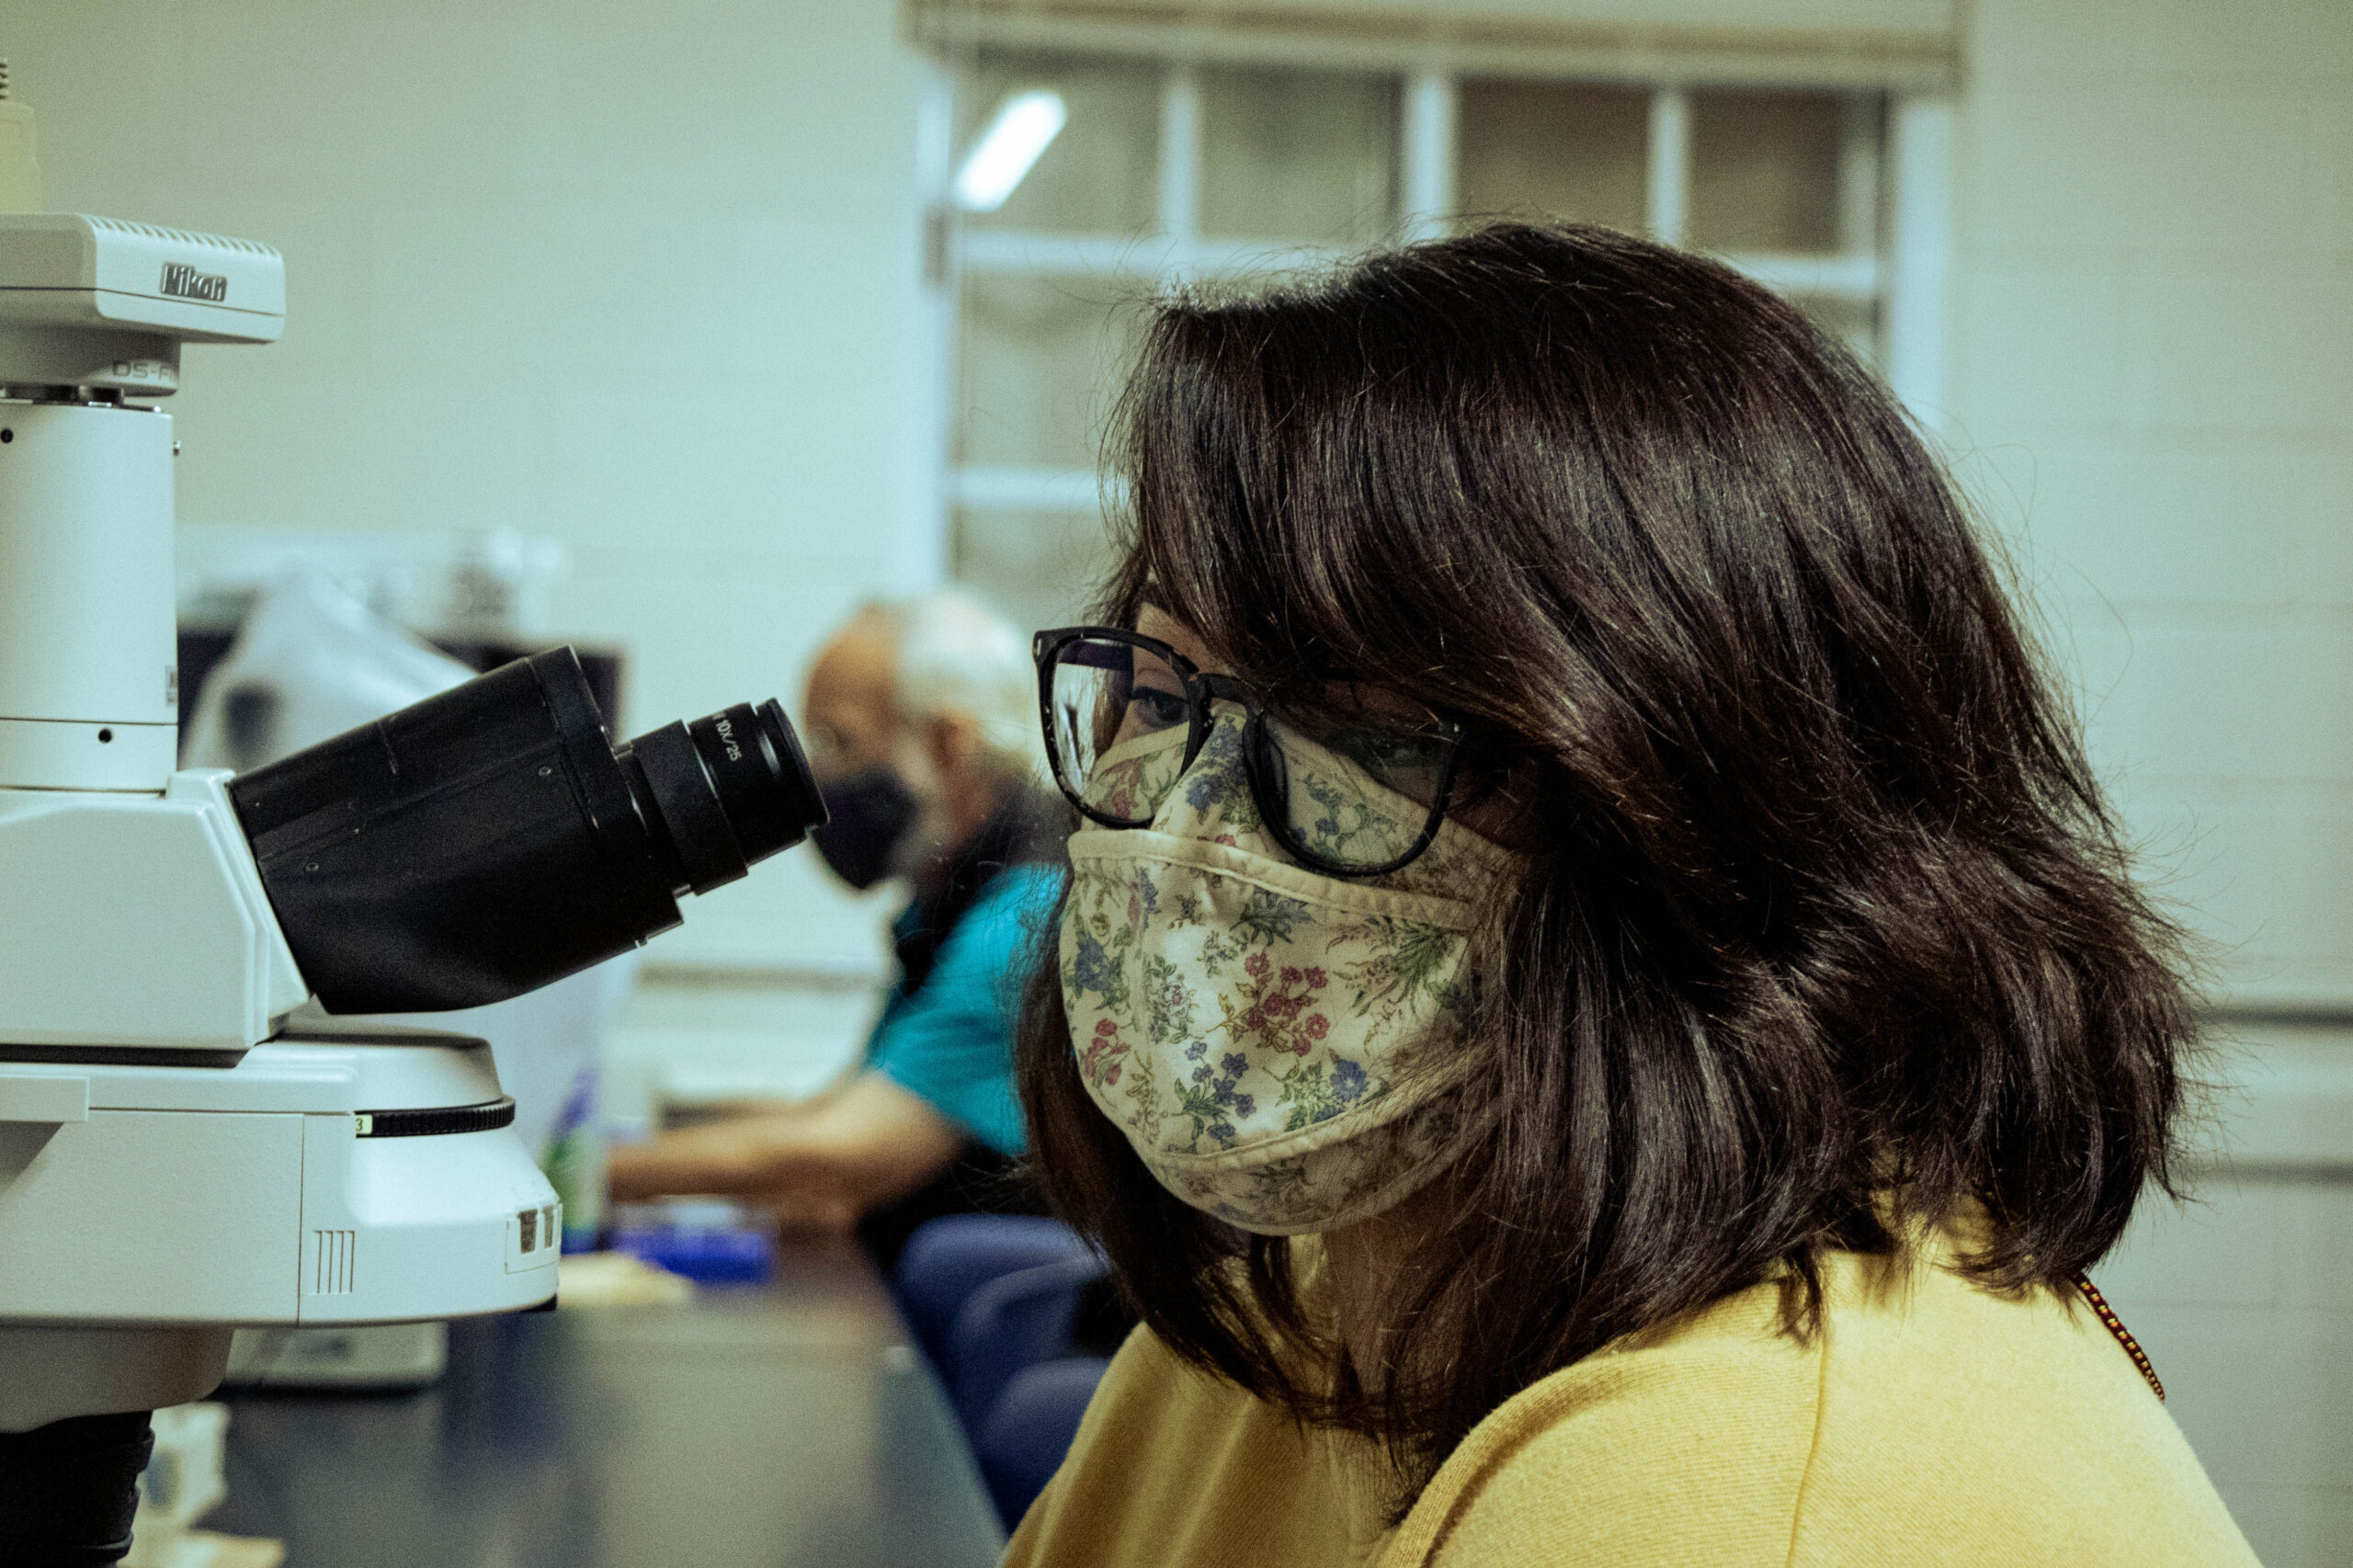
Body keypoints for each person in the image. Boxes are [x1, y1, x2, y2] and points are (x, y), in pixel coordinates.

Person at [1003, 224, 2258, 1565]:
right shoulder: (1306, 1320)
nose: (1192, 828)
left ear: (1697, 819)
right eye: (1162, 690)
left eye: (1343, 728)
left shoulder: (1743, 1486)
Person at [608, 591, 1063, 1265]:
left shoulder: (1025, 917)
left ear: (945, 742)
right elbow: (845, 1107)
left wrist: (578, 1178)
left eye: (837, 742)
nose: (812, 781)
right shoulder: (947, 896)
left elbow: (838, 1158)